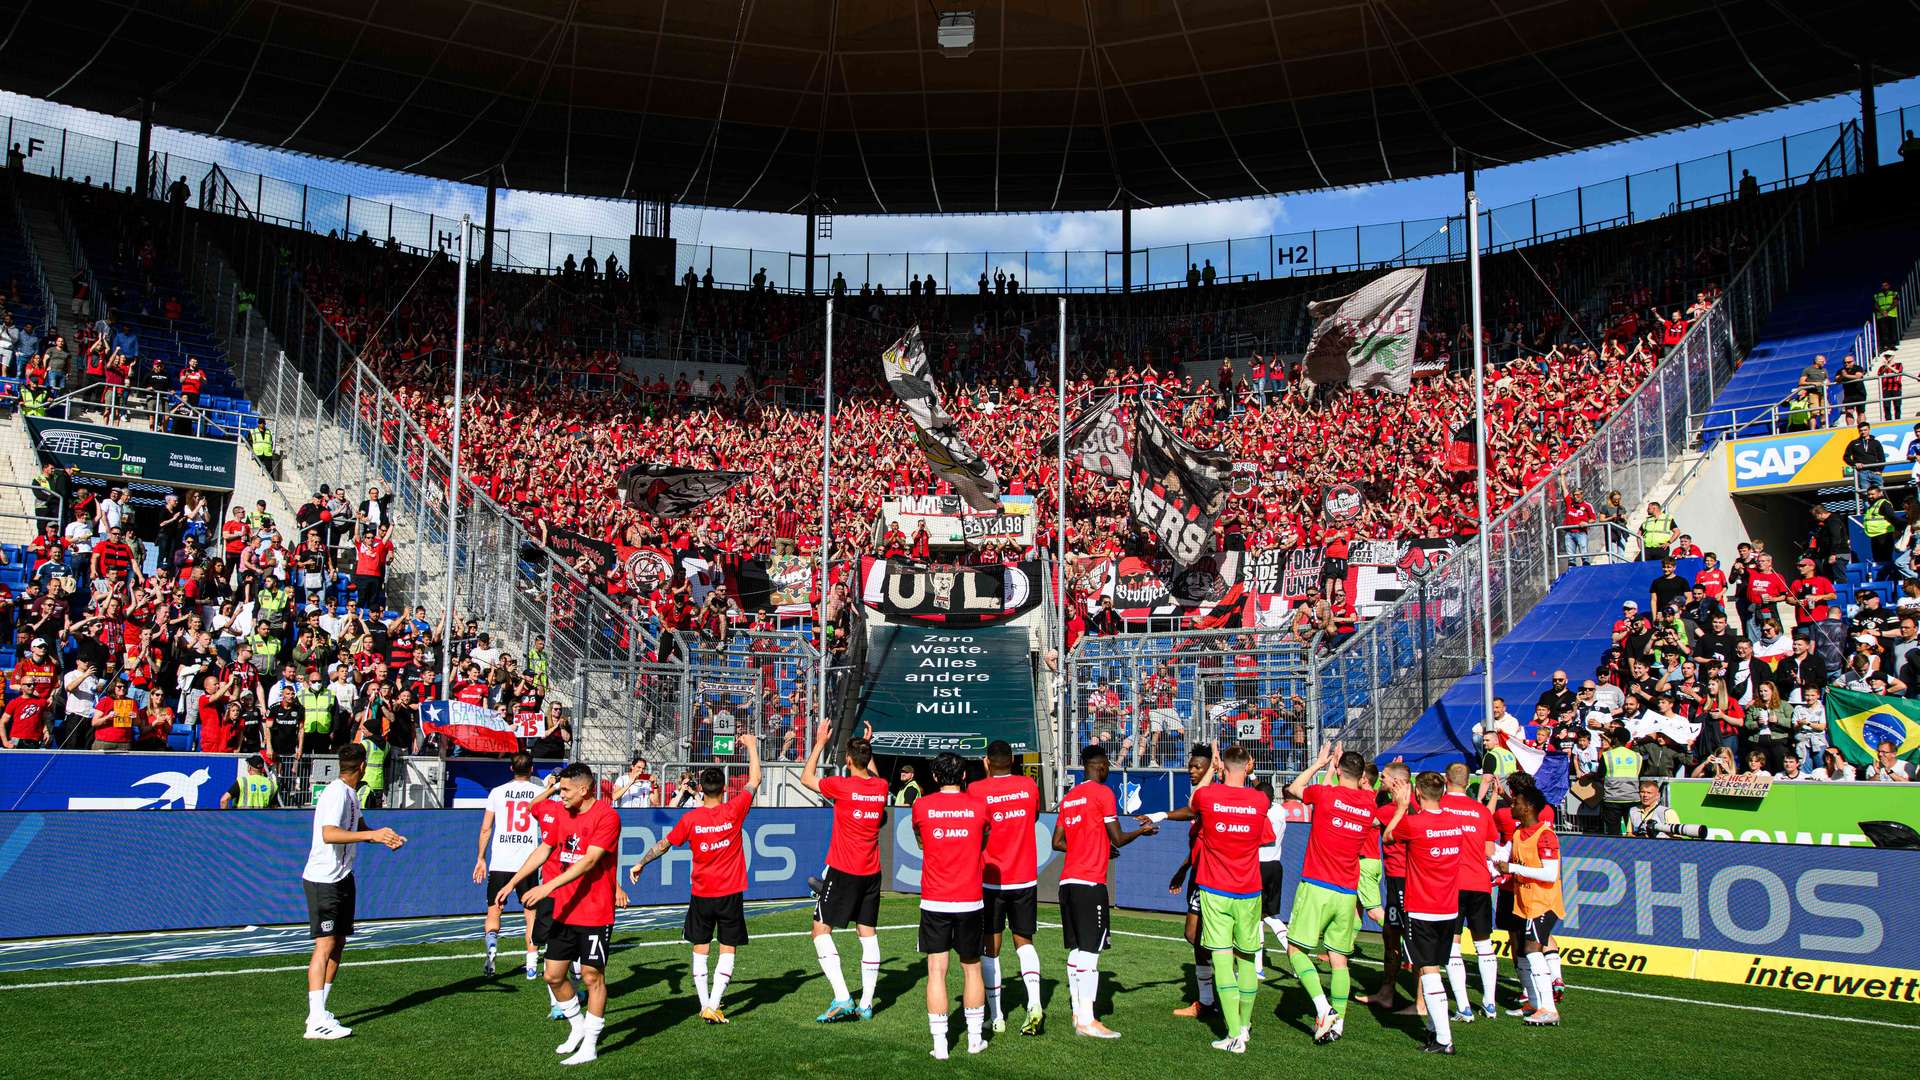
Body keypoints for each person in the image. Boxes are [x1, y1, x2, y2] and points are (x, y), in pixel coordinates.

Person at [629, 734, 763, 1025]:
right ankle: (713, 1003)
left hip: (702, 894)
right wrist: (752, 746)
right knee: (728, 947)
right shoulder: (734, 809)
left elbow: (664, 845)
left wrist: (641, 863)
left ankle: (705, 1003)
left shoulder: (691, 819)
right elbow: (755, 779)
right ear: (725, 789)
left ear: (700, 789)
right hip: (730, 893)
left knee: (700, 947)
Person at [499, 762, 620, 1066]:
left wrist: (546, 887)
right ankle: (577, 1028)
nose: (559, 794)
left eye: (565, 789)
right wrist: (513, 881)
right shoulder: (563, 814)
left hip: (594, 911)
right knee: (553, 975)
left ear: (584, 788)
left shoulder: (607, 816)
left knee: (592, 976)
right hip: (565, 910)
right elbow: (545, 848)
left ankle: (590, 1045)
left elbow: (590, 861)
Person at [300, 742, 407, 1040]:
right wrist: (371, 834)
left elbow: (358, 828)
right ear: (362, 766)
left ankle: (319, 1011)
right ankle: (316, 1021)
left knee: (339, 943)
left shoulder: (351, 794)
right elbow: (329, 833)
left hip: (342, 877)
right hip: (324, 880)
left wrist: (383, 837)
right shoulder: (336, 793)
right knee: (324, 945)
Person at [1052, 743, 1157, 1038]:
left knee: (1076, 951)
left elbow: (1057, 842)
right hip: (1089, 883)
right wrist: (1142, 830)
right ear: (1099, 766)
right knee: (1090, 953)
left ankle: (1077, 1013)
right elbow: (1119, 838)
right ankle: (1087, 1020)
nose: (1108, 771)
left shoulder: (1069, 797)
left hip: (1067, 883)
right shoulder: (1102, 793)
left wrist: (1093, 846)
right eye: (1108, 766)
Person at [1280, 740, 1374, 1043]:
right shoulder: (1368, 803)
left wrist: (1321, 765)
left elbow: (1293, 789)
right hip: (1347, 891)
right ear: (1362, 777)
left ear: (1338, 768)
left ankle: (1323, 1009)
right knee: (1339, 960)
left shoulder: (1325, 793)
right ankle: (1338, 1022)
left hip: (1318, 884)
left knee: (1295, 950)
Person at [1187, 745, 1274, 1055]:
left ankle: (1234, 1034)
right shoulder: (1261, 799)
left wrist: (1212, 767)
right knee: (1248, 958)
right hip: (1250, 890)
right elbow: (1268, 838)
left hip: (1216, 889)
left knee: (1223, 958)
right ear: (1249, 765)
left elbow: (1194, 799)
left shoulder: (1208, 796)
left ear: (1221, 766)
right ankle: (1245, 1027)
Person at [801, 719, 889, 1023]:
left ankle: (842, 996)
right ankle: (866, 1003)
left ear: (848, 761)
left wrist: (820, 743)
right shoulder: (880, 787)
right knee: (867, 933)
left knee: (820, 930)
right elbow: (873, 773)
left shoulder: (842, 786)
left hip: (843, 870)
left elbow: (806, 777)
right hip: (871, 872)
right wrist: (868, 747)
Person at [910, 752, 992, 1059]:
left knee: (936, 970)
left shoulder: (922, 805)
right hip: (970, 898)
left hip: (935, 898)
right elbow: (983, 837)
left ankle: (941, 1045)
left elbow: (920, 838)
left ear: (934, 776)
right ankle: (973, 1040)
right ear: (963, 776)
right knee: (971, 968)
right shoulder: (978, 806)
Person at [1382, 771, 1467, 1055]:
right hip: (1448, 907)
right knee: (1434, 968)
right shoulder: (1456, 822)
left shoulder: (1414, 824)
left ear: (1417, 794)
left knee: (1428, 971)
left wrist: (1402, 808)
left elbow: (1388, 837)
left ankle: (1444, 1039)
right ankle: (1434, 1031)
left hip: (1423, 908)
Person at [967, 739, 1045, 1035]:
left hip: (991, 878)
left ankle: (997, 1016)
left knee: (991, 947)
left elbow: (978, 827)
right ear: (1012, 760)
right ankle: (1035, 1003)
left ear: (987, 762)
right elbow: (1033, 816)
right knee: (1024, 941)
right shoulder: (1029, 787)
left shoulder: (977, 790)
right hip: (1024, 876)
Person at [1495, 786, 1565, 1027]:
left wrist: (1512, 869)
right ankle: (1534, 1003)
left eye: (1515, 803)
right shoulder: (1518, 833)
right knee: (1525, 950)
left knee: (1534, 949)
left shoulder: (1546, 835)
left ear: (1528, 807)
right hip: (1525, 903)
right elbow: (1502, 857)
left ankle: (1549, 1008)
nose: (1511, 806)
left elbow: (1550, 873)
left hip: (1544, 903)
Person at [475, 751, 547, 979]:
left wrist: (481, 857)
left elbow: (486, 828)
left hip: (501, 861)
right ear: (532, 769)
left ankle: (492, 948)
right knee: (530, 913)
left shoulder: (497, 792)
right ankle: (532, 963)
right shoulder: (539, 793)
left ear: (510, 769)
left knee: (495, 909)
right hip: (527, 861)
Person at [1437, 762, 1498, 1024]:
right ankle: (1490, 1002)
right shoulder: (1480, 810)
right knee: (1484, 944)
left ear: (1445, 779)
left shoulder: (1439, 806)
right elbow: (1490, 851)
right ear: (1467, 781)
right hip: (1480, 882)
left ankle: (1463, 1006)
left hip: (1451, 883)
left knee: (1453, 944)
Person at [1166, 745, 1220, 1019]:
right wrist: (1184, 869)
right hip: (1198, 872)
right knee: (1197, 937)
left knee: (1200, 937)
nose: (1191, 770)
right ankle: (1209, 999)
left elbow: (1191, 812)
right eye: (1190, 766)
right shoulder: (1202, 794)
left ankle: (1213, 997)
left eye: (1198, 767)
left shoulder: (1208, 796)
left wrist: (1162, 814)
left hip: (1209, 876)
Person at [1584, 728, 1642, 835]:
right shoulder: (1637, 756)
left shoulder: (1608, 755)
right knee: (1634, 832)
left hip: (1613, 799)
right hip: (1633, 799)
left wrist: (1593, 775)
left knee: (1613, 833)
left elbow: (1600, 775)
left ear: (1615, 739)